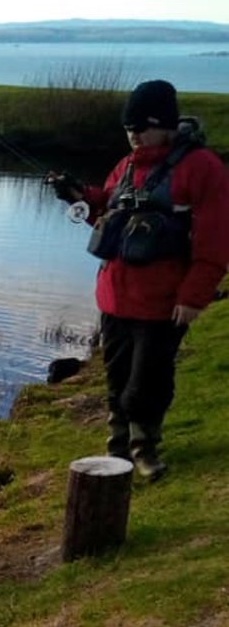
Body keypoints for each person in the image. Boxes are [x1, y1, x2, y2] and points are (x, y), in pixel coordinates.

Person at [49, 79, 229, 480]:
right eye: (128, 130)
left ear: (164, 124)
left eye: (140, 128)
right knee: (117, 379)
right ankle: (118, 454)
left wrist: (194, 297)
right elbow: (109, 217)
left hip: (165, 301)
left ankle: (144, 447)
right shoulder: (127, 165)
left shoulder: (203, 169)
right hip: (114, 296)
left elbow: (216, 244)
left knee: (147, 382)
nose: (133, 137)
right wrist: (75, 194)